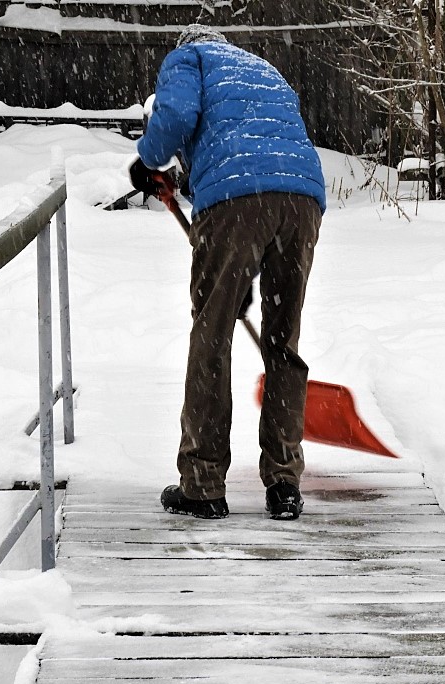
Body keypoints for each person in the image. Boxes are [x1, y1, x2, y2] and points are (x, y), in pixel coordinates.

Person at [129, 24, 326, 521]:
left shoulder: (188, 59)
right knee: (283, 341)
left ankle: (203, 484)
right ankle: (284, 483)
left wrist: (148, 159)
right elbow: (245, 150)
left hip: (239, 203)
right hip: (301, 201)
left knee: (212, 337)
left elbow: (175, 116)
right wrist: (181, 182)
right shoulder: (262, 70)